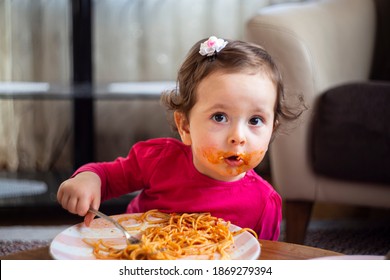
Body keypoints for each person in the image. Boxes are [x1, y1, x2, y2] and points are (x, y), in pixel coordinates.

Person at [57, 36, 304, 241]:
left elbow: (263, 260)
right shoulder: (158, 159)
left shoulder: (264, 203)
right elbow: (107, 177)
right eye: (219, 117)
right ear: (184, 126)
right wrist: (88, 180)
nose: (238, 137)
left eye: (255, 120)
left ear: (272, 129)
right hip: (138, 256)